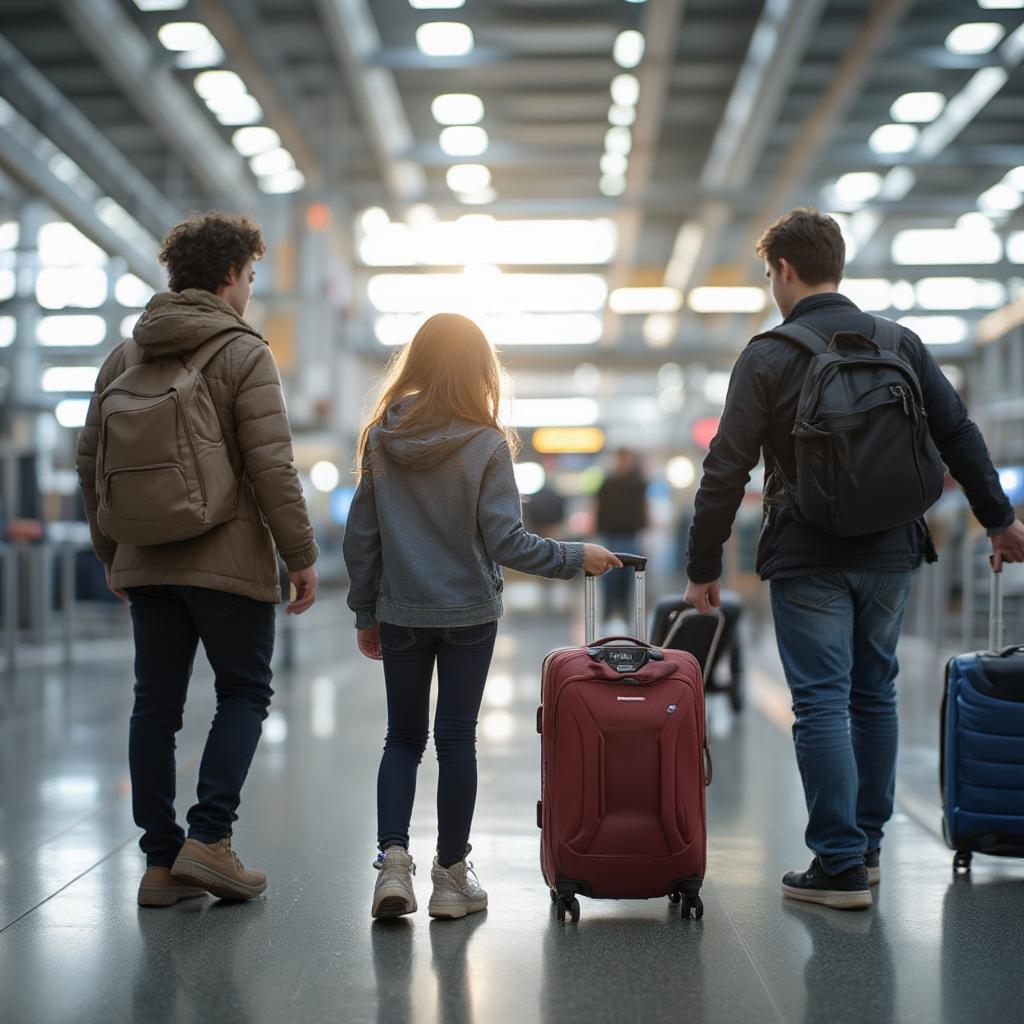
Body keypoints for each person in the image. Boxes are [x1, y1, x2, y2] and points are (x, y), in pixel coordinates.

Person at [683, 207, 1024, 910]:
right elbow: (958, 434)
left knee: (820, 701)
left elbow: (727, 468)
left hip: (808, 552)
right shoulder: (900, 343)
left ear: (782, 270)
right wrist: (999, 521)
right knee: (875, 693)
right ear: (836, 263)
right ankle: (865, 850)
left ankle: (836, 864)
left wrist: (702, 565)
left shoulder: (769, 354)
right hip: (893, 551)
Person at [76, 212, 320, 908]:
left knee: (154, 705)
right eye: (249, 276)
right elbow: (273, 466)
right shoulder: (244, 351)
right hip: (228, 558)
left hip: (145, 560)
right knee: (244, 693)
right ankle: (209, 841)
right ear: (227, 276)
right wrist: (299, 555)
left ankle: (159, 864)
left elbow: (89, 464)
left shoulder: (125, 356)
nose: (249, 289)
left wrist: (112, 554)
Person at [343, 312, 620, 921]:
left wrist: (366, 609)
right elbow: (507, 543)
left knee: (403, 739)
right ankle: (449, 878)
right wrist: (580, 559)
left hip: (401, 610)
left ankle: (393, 863)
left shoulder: (380, 437)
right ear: (478, 370)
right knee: (455, 739)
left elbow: (361, 533)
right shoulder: (486, 442)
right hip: (468, 612)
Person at [595, 448, 648, 626]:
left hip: (630, 535)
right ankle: (609, 613)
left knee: (628, 577)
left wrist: (646, 524)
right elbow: (597, 505)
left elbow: (644, 504)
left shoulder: (637, 482)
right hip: (611, 535)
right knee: (609, 576)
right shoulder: (607, 482)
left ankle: (624, 612)